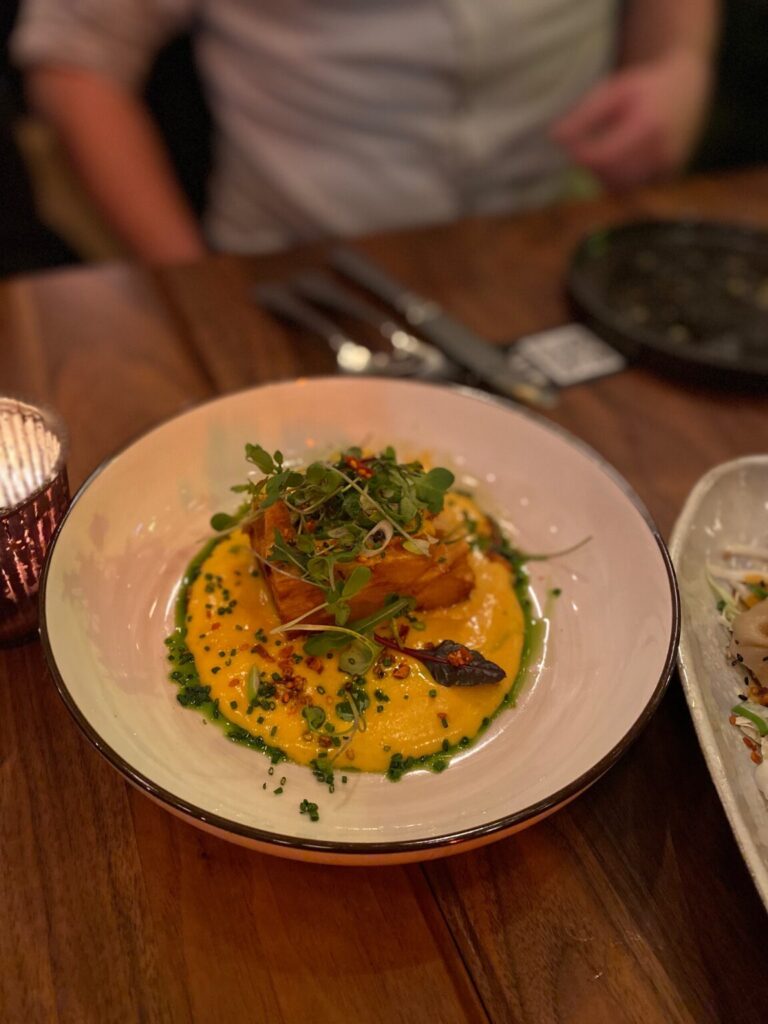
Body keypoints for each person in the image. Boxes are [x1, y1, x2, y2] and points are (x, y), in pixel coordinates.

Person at [11, 0, 716, 263]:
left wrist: (679, 62)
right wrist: (194, 281)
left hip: (554, 244)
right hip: (297, 270)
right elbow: (75, 57)